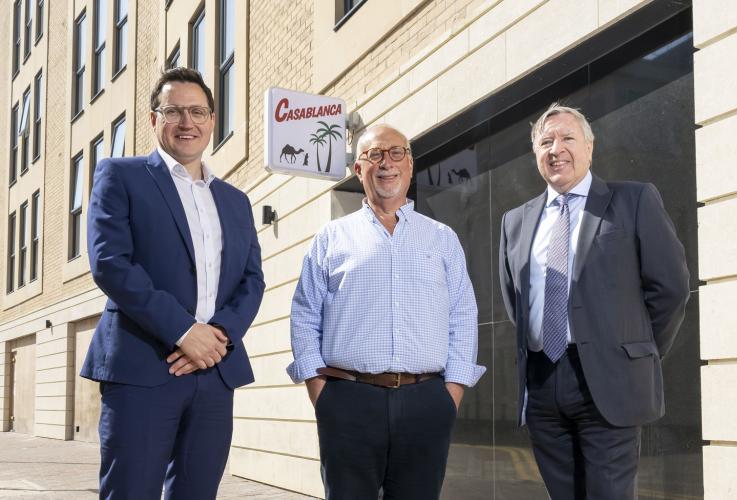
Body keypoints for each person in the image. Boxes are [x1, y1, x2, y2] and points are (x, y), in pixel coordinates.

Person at [80, 67, 265, 500]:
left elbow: (252, 280)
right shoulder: (120, 175)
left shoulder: (235, 200)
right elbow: (111, 263)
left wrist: (215, 338)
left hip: (215, 371)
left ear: (212, 120)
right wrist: (184, 332)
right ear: (153, 119)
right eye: (174, 111)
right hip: (144, 368)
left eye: (197, 111)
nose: (187, 122)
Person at [499, 103, 690, 499]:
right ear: (535, 153)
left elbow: (670, 288)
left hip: (609, 380)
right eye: (546, 141)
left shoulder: (633, 201)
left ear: (590, 147)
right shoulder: (515, 220)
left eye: (568, 138)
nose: (557, 149)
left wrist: (635, 352)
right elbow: (515, 300)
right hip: (542, 383)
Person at [287, 124, 485, 500]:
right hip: (348, 401)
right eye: (374, 154)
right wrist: (321, 394)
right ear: (359, 169)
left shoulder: (442, 238)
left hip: (427, 401)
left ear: (410, 165)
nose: (386, 163)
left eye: (396, 153)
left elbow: (462, 315)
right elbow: (304, 315)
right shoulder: (331, 237)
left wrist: (452, 394)